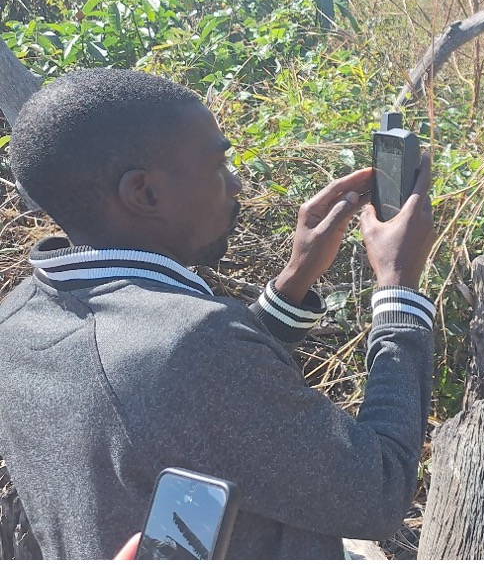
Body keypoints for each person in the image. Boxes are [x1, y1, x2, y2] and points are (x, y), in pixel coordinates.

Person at [0, 68, 437, 559]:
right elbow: (376, 491)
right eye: (218, 166)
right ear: (144, 193)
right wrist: (398, 289)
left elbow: (181, 406)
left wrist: (293, 282)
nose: (236, 185)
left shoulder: (17, 322)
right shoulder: (190, 346)